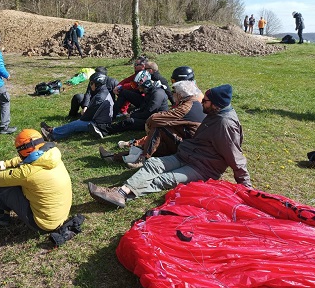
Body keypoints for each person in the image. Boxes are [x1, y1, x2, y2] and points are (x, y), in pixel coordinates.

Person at [88, 84, 252, 208]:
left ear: (216, 104)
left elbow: (236, 158)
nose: (201, 103)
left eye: (205, 101)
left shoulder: (225, 124)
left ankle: (121, 193)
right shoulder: (214, 113)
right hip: (186, 155)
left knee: (164, 179)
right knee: (153, 164)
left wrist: (248, 192)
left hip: (202, 167)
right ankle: (120, 193)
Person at [0, 129, 72, 243]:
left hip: (43, 224)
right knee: (12, 183)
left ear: (23, 152)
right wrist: (7, 163)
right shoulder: (51, 156)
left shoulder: (27, 173)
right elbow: (27, 159)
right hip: (59, 218)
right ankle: (0, 217)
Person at [98, 80, 206, 169]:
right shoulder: (193, 103)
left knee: (159, 129)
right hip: (189, 144)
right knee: (154, 143)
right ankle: (114, 157)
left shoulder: (185, 107)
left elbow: (154, 119)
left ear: (179, 95)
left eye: (174, 92)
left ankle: (143, 158)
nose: (172, 95)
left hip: (188, 147)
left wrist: (148, 125)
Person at [88, 70, 168, 138]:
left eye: (141, 88)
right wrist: (134, 112)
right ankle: (108, 120)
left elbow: (149, 112)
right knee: (129, 113)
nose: (140, 91)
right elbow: (145, 105)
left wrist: (133, 115)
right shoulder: (150, 91)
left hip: (154, 121)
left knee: (129, 121)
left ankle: (104, 130)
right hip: (150, 116)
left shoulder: (158, 94)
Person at [41, 72, 113, 141]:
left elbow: (88, 116)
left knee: (76, 124)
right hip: (102, 120)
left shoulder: (100, 98)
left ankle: (52, 135)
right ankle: (52, 130)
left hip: (99, 125)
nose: (90, 85)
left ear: (98, 84)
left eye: (91, 83)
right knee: (78, 122)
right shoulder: (104, 91)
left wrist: (83, 116)